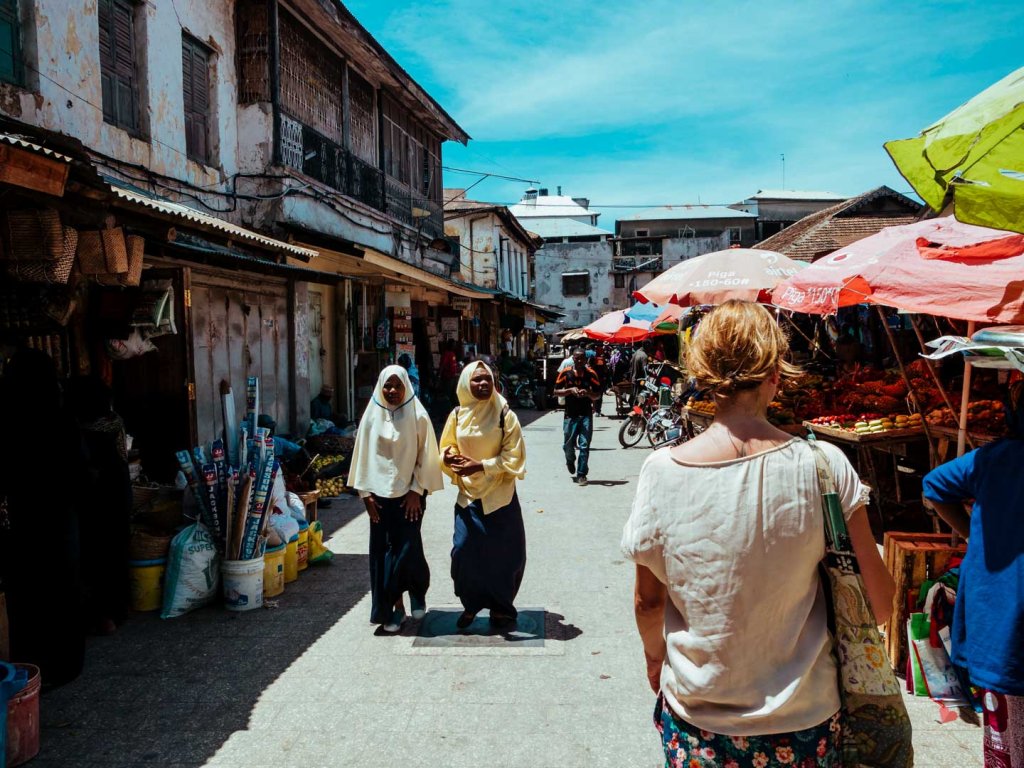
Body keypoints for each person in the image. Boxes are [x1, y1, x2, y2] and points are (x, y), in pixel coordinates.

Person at [621, 300, 895, 767]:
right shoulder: (825, 466)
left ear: (702, 376)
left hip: (698, 720)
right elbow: (881, 602)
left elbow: (649, 601)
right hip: (806, 719)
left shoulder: (660, 472)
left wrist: (654, 658)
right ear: (775, 374)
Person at [922, 375, 1024, 768]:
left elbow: (934, 486)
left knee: (1006, 733)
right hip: (1002, 633)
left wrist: (971, 534)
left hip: (999, 632)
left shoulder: (993, 459)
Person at [0, 347, 86, 687]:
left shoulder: (7, 420)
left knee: (28, 594)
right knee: (61, 588)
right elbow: (79, 472)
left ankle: (31, 666)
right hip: (59, 519)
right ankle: (64, 664)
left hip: (21, 520)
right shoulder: (60, 418)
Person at [347, 365, 444, 634]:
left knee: (407, 549)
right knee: (383, 554)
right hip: (378, 498)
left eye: (397, 386)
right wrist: (365, 494)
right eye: (387, 386)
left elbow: (427, 455)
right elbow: (362, 455)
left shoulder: (418, 415)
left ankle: (416, 591)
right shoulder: (371, 416)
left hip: (409, 497)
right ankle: (395, 608)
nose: (391, 391)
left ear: (406, 387)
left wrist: (416, 490)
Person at [440, 361, 527, 630]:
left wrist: (481, 465)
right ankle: (471, 604)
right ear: (466, 383)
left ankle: (502, 608)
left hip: (500, 496)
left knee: (506, 556)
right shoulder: (457, 415)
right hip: (469, 496)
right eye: (476, 380)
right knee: (464, 552)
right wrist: (450, 457)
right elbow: (445, 446)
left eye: (487, 379)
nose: (482, 384)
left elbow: (515, 456)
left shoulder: (505, 414)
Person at [66, 375, 132, 635]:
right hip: (116, 495)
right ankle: (116, 611)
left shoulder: (75, 428)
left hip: (93, 499)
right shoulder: (114, 422)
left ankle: (103, 616)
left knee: (94, 558)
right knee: (115, 554)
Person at [554, 347, 602, 486]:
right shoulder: (566, 373)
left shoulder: (591, 374)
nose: (579, 360)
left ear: (586, 359)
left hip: (586, 414)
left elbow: (598, 394)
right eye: (577, 358)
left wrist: (587, 393)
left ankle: (582, 474)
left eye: (582, 358)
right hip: (570, 415)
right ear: (572, 358)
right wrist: (570, 390)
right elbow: (556, 391)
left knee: (584, 445)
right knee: (568, 445)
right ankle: (570, 460)